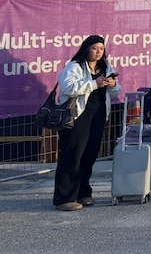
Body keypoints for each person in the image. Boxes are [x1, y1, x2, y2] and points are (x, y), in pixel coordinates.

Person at [52, 35, 121, 211]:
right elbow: (68, 88)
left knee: (90, 154)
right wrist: (94, 84)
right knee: (73, 154)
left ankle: (83, 192)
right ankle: (64, 198)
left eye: (101, 49)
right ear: (86, 48)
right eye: (94, 48)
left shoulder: (105, 67)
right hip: (78, 115)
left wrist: (112, 84)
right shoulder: (74, 66)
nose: (98, 52)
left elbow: (115, 92)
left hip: (98, 114)